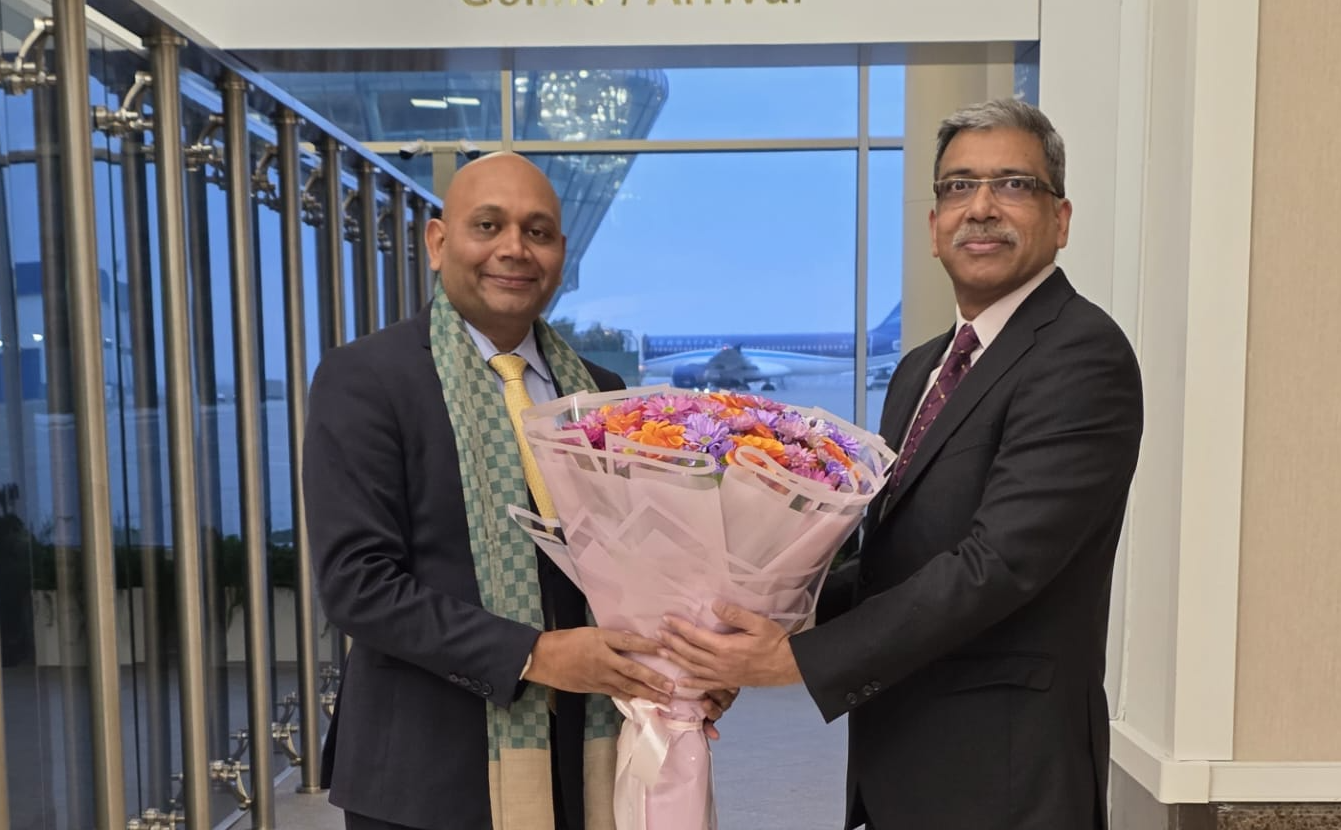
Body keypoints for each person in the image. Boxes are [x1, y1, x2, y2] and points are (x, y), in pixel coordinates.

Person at [661, 98, 1144, 830]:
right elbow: (891, 561)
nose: (980, 207)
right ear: (933, 226)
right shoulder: (921, 369)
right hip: (901, 763)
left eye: (1013, 184)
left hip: (1006, 779)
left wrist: (797, 660)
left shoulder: (1080, 353)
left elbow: (995, 565)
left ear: (1061, 219)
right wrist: (757, 615)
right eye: (958, 186)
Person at [304, 153, 726, 830]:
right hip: (423, 774)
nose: (514, 249)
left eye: (537, 231)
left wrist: (687, 666)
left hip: (583, 756)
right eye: (488, 225)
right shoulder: (366, 379)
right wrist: (536, 655)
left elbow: (636, 564)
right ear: (438, 243)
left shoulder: (601, 392)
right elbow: (358, 584)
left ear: (561, 253)